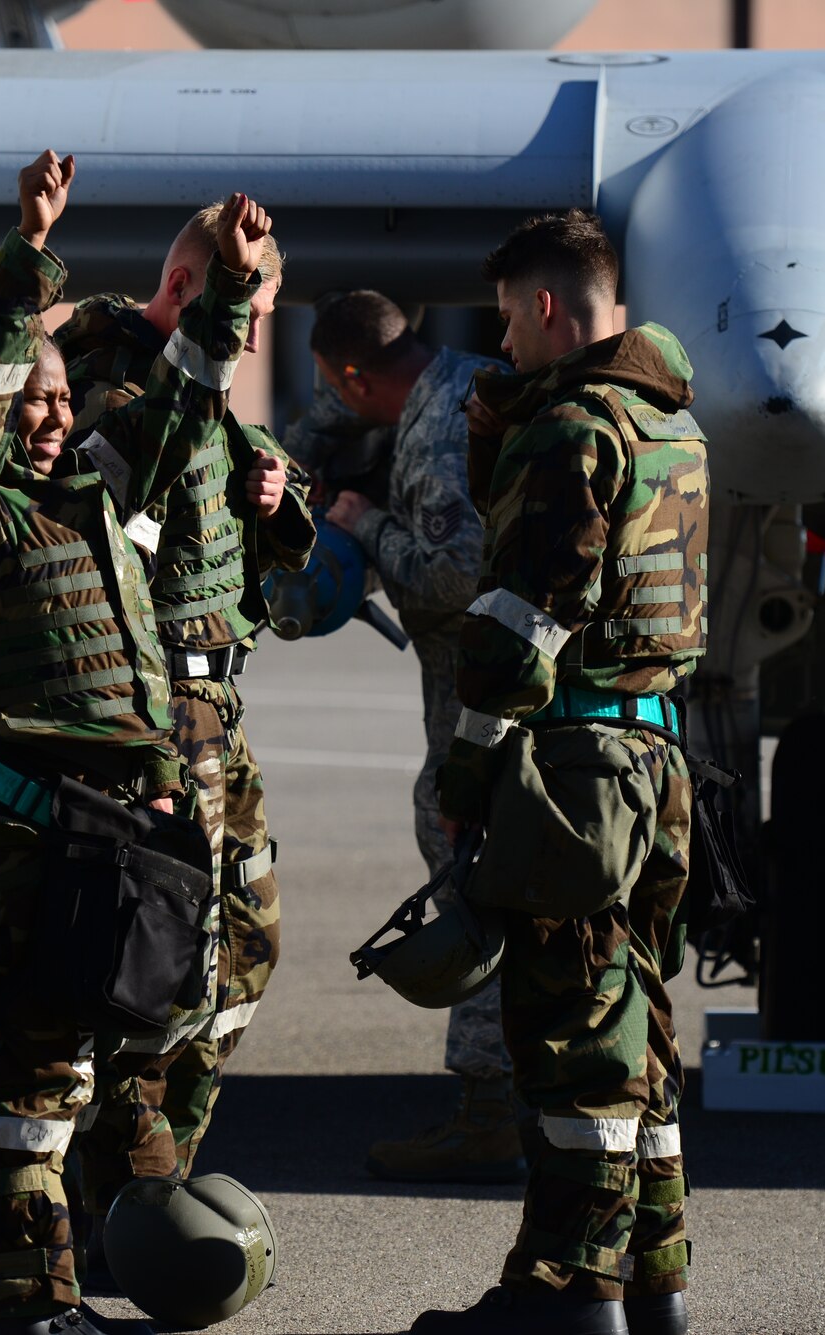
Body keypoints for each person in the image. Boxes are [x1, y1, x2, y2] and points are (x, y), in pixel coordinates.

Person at [0, 149, 273, 1334]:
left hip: (118, 833)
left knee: (102, 1063)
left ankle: (59, 1280)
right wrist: (20, 270)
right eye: (29, 401)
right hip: (21, 835)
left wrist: (231, 295)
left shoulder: (89, 501)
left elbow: (185, 405)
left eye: (60, 401)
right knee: (27, 1085)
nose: (49, 419)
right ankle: (17, 1304)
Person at [415, 209, 709, 1335]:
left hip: (575, 769)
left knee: (570, 1037)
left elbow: (525, 615)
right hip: (655, 758)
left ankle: (564, 1295)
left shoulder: (571, 430)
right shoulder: (670, 426)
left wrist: (467, 772)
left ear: (544, 308)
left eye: (505, 321)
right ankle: (653, 1281)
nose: (502, 347)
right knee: (636, 1025)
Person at [52, 208, 315, 1249]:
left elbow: (261, 527)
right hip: (150, 723)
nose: (248, 343)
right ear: (183, 286)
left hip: (220, 713)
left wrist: (277, 499)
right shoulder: (108, 386)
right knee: (150, 965)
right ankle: (128, 1198)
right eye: (236, 313)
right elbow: (139, 456)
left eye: (256, 319)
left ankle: (155, 1182)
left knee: (242, 952)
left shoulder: (203, 401)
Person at [303, 291, 522, 1184]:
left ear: (356, 374)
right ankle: (539, 1098)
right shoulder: (469, 381)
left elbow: (445, 578)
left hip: (480, 715)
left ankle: (489, 1109)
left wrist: (362, 524)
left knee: (470, 874)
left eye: (334, 386)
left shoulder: (432, 440)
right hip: (517, 702)